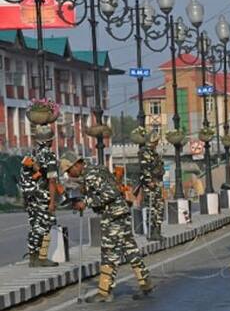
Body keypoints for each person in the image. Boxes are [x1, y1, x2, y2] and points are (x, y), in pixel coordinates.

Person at [61, 152, 154, 302]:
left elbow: (111, 193)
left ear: (77, 165)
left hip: (112, 215)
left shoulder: (91, 174)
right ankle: (145, 284)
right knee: (130, 249)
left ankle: (104, 292)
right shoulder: (96, 169)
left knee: (109, 252)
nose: (69, 174)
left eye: (69, 170)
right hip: (120, 212)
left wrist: (86, 203)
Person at [19, 126, 59, 267]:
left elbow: (24, 175)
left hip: (30, 195)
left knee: (34, 224)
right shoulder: (49, 155)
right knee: (42, 226)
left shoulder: (32, 154)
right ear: (50, 141)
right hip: (42, 195)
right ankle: (37, 258)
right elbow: (52, 180)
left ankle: (34, 256)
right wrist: (52, 202)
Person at [139, 132, 165, 241]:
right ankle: (151, 232)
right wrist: (149, 181)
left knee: (159, 207)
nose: (158, 142)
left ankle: (157, 230)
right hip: (150, 185)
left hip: (157, 182)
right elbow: (145, 168)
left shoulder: (154, 152)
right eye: (156, 140)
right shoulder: (145, 152)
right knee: (152, 208)